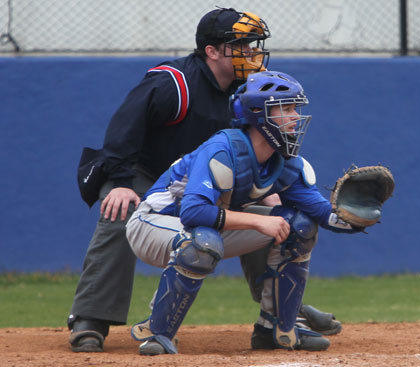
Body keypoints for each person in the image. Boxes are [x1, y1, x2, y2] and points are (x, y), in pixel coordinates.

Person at [68, 7, 340, 353]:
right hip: (148, 173)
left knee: (272, 220)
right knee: (119, 212)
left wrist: (270, 190)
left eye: (254, 44)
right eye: (241, 45)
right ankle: (91, 318)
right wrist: (121, 181)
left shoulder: (252, 86)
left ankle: (283, 312)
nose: (253, 52)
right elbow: (125, 128)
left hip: (213, 177)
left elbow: (265, 147)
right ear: (212, 51)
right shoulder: (172, 82)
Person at [126, 70, 365, 355]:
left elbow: (324, 214)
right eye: (286, 108)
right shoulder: (223, 150)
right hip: (151, 224)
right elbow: (193, 213)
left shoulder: (285, 162)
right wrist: (257, 221)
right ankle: (158, 332)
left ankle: (276, 328)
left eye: (295, 109)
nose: (296, 117)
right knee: (201, 243)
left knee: (300, 225)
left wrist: (358, 216)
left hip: (206, 229)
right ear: (258, 115)